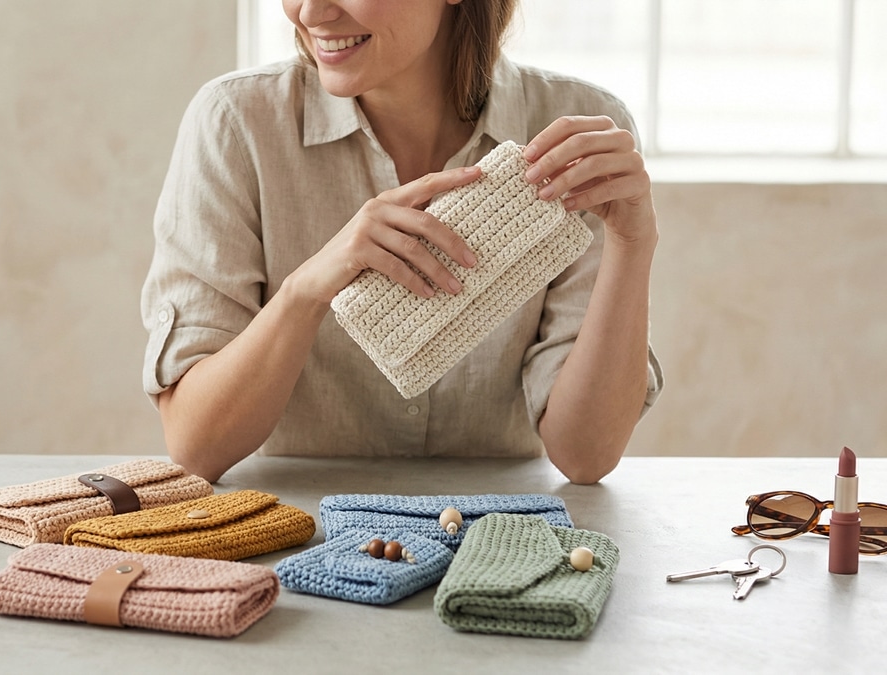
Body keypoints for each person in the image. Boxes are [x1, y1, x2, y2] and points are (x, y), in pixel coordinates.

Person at [140, 0, 663, 485]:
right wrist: (308, 289)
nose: (310, 10)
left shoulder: (575, 138)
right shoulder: (236, 123)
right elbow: (196, 445)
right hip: (301, 539)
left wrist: (631, 243)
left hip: (504, 541)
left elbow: (586, 454)